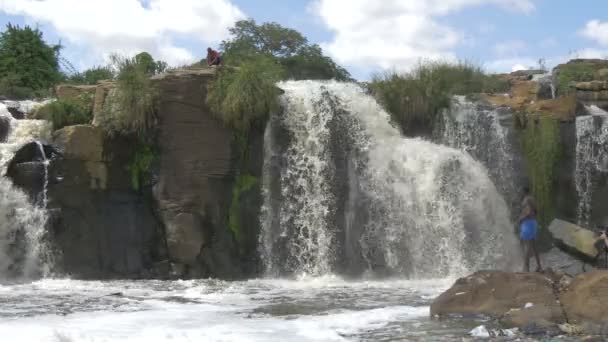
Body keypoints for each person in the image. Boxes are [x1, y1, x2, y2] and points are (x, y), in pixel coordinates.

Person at [519, 186, 542, 272]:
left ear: (523, 191)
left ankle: (526, 268)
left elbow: (528, 212)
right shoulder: (532, 199)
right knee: (534, 246)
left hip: (528, 223)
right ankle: (539, 266)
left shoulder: (526, 199)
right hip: (532, 222)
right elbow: (536, 211)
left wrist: (522, 218)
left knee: (526, 246)